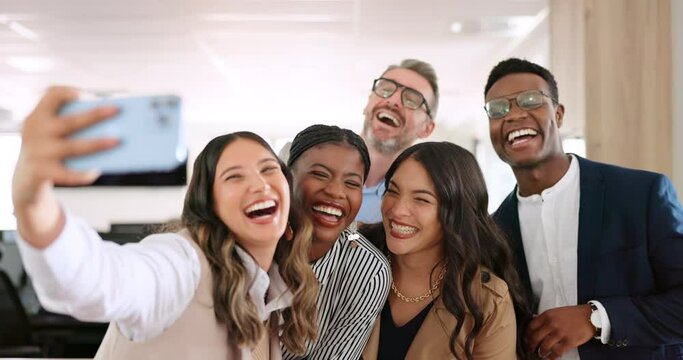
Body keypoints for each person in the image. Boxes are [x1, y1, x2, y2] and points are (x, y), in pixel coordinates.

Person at [12, 87, 319, 359]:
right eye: (234, 177)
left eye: (268, 169)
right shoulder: (183, 262)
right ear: (209, 203)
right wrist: (32, 200)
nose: (260, 185)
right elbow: (103, 278)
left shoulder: (274, 291)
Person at [484, 58, 683, 359]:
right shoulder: (493, 232)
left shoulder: (640, 195)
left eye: (530, 101)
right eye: (498, 109)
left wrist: (598, 318)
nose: (513, 115)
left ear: (559, 114)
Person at [360, 142, 530, 360]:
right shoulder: (354, 261)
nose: (397, 210)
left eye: (421, 199)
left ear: (457, 213)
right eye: (392, 191)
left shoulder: (487, 300)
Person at [282, 124, 391, 359]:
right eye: (320, 174)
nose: (336, 192)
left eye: (351, 183)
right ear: (287, 178)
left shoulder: (367, 271)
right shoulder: (254, 242)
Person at [357, 59, 439, 223]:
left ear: (427, 128)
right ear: (367, 103)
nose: (393, 101)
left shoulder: (417, 212)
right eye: (386, 89)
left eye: (411, 100)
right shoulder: (303, 164)